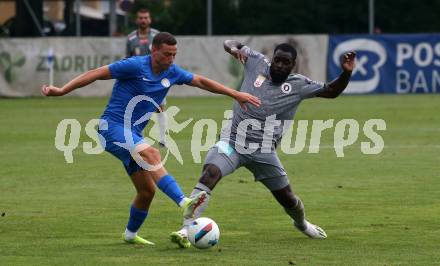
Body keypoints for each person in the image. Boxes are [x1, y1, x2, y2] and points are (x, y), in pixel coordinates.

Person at [41, 33, 261, 246]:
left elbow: (201, 81)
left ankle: (130, 234)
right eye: (167, 54)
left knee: (147, 191)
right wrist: (61, 90)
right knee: (153, 153)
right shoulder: (135, 66)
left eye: (174, 54)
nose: (171, 59)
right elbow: (97, 73)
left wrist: (235, 94)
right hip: (111, 128)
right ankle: (184, 202)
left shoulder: (172, 72)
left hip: (132, 134)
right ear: (154, 51)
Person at [171, 40, 356, 248]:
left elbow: (331, 91)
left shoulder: (299, 85)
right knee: (210, 173)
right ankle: (186, 229)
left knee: (287, 198)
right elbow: (229, 42)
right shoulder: (256, 62)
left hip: (264, 151)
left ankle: (302, 223)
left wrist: (346, 73)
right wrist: (232, 49)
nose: (279, 65)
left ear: (292, 65)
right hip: (232, 142)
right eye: (277, 60)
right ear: (272, 59)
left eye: (286, 62)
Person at [126, 8, 168, 147]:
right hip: (138, 80)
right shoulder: (131, 38)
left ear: (150, 19)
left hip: (156, 78)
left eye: (146, 17)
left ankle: (163, 139)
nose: (143, 20)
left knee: (160, 106)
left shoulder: (157, 36)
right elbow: (127, 59)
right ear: (137, 20)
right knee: (138, 107)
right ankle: (139, 139)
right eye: (141, 18)